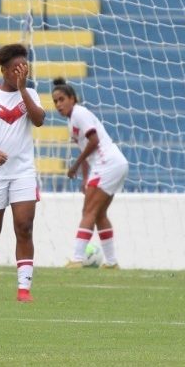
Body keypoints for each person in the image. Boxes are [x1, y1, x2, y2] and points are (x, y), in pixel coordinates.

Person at [0, 44, 45, 302]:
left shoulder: (31, 94)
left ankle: (24, 289)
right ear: (3, 70)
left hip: (23, 172)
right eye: (15, 68)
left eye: (24, 67)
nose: (20, 72)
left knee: (24, 226)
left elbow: (38, 120)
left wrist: (23, 88)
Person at [51, 78, 127, 269]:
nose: (58, 105)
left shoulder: (79, 113)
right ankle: (111, 262)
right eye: (55, 102)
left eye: (61, 99)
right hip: (115, 163)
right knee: (100, 213)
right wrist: (85, 178)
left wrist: (74, 166)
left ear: (72, 99)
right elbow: (85, 148)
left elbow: (93, 141)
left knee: (88, 212)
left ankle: (77, 259)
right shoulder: (72, 120)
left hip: (107, 162)